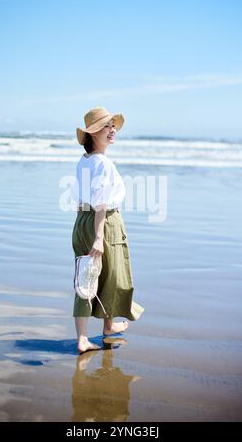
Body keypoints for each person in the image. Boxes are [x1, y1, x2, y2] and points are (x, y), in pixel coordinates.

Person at [71, 107, 145, 354]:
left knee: (86, 278)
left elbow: (83, 197)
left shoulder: (85, 160)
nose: (112, 130)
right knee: (112, 275)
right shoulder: (102, 163)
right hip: (103, 222)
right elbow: (101, 202)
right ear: (92, 133)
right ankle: (96, 333)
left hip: (82, 220)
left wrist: (87, 228)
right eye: (106, 126)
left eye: (113, 125)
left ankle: (100, 330)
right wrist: (99, 237)